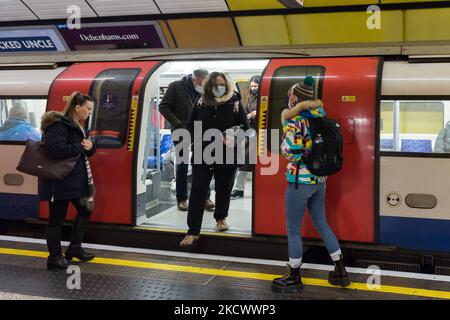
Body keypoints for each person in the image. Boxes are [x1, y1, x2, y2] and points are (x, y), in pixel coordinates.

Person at [272, 76, 350, 293]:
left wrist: (287, 149)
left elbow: (291, 152)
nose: (289, 100)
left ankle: (294, 275)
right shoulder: (324, 119)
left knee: (293, 229)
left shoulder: (296, 121)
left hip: (299, 182)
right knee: (322, 224)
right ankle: (340, 270)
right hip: (320, 181)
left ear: (295, 99)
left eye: (290, 97)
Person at [180, 72, 248, 247]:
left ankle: (221, 218)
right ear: (209, 87)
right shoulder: (201, 102)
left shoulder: (235, 103)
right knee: (197, 191)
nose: (219, 88)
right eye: (216, 85)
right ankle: (192, 231)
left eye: (222, 84)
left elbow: (245, 128)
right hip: (203, 154)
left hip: (227, 154)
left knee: (223, 188)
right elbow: (190, 125)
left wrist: (235, 135)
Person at [39, 92, 96, 271]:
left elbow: (82, 151)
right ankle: (54, 258)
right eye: (88, 109)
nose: (89, 112)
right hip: (59, 181)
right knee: (56, 218)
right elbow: (54, 150)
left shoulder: (77, 126)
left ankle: (75, 247)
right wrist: (80, 146)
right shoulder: (58, 125)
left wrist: (90, 148)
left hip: (74, 181)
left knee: (85, 209)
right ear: (77, 107)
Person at [159, 69, 215, 212]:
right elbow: (163, 106)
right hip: (181, 131)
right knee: (182, 165)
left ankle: (204, 197)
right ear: (194, 79)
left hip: (200, 132)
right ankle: (182, 199)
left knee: (203, 165)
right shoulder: (176, 87)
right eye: (201, 82)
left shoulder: (204, 90)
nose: (203, 85)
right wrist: (177, 122)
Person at [230, 75, 260, 200]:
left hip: (263, 132)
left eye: (256, 86)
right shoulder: (249, 97)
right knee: (243, 162)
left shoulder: (265, 97)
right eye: (252, 86)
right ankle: (238, 189)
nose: (254, 88)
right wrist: (249, 115)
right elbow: (245, 112)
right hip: (251, 131)